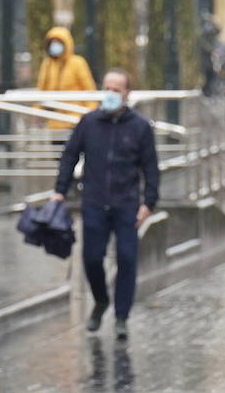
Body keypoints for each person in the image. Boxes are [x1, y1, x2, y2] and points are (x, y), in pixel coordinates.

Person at [52, 70, 159, 340]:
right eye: (107, 88)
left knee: (126, 258)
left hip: (126, 204)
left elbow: (151, 168)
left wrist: (148, 203)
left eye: (117, 89)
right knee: (91, 258)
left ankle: (122, 316)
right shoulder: (88, 123)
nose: (111, 93)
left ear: (127, 94)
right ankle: (101, 300)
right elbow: (69, 156)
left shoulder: (140, 127)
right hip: (95, 202)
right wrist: (59, 191)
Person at [36, 26, 97, 128]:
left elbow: (89, 89)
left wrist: (91, 113)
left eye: (58, 42)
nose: (55, 46)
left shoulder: (77, 62)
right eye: (52, 43)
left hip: (76, 119)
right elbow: (42, 89)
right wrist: (37, 110)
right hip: (55, 120)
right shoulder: (48, 64)